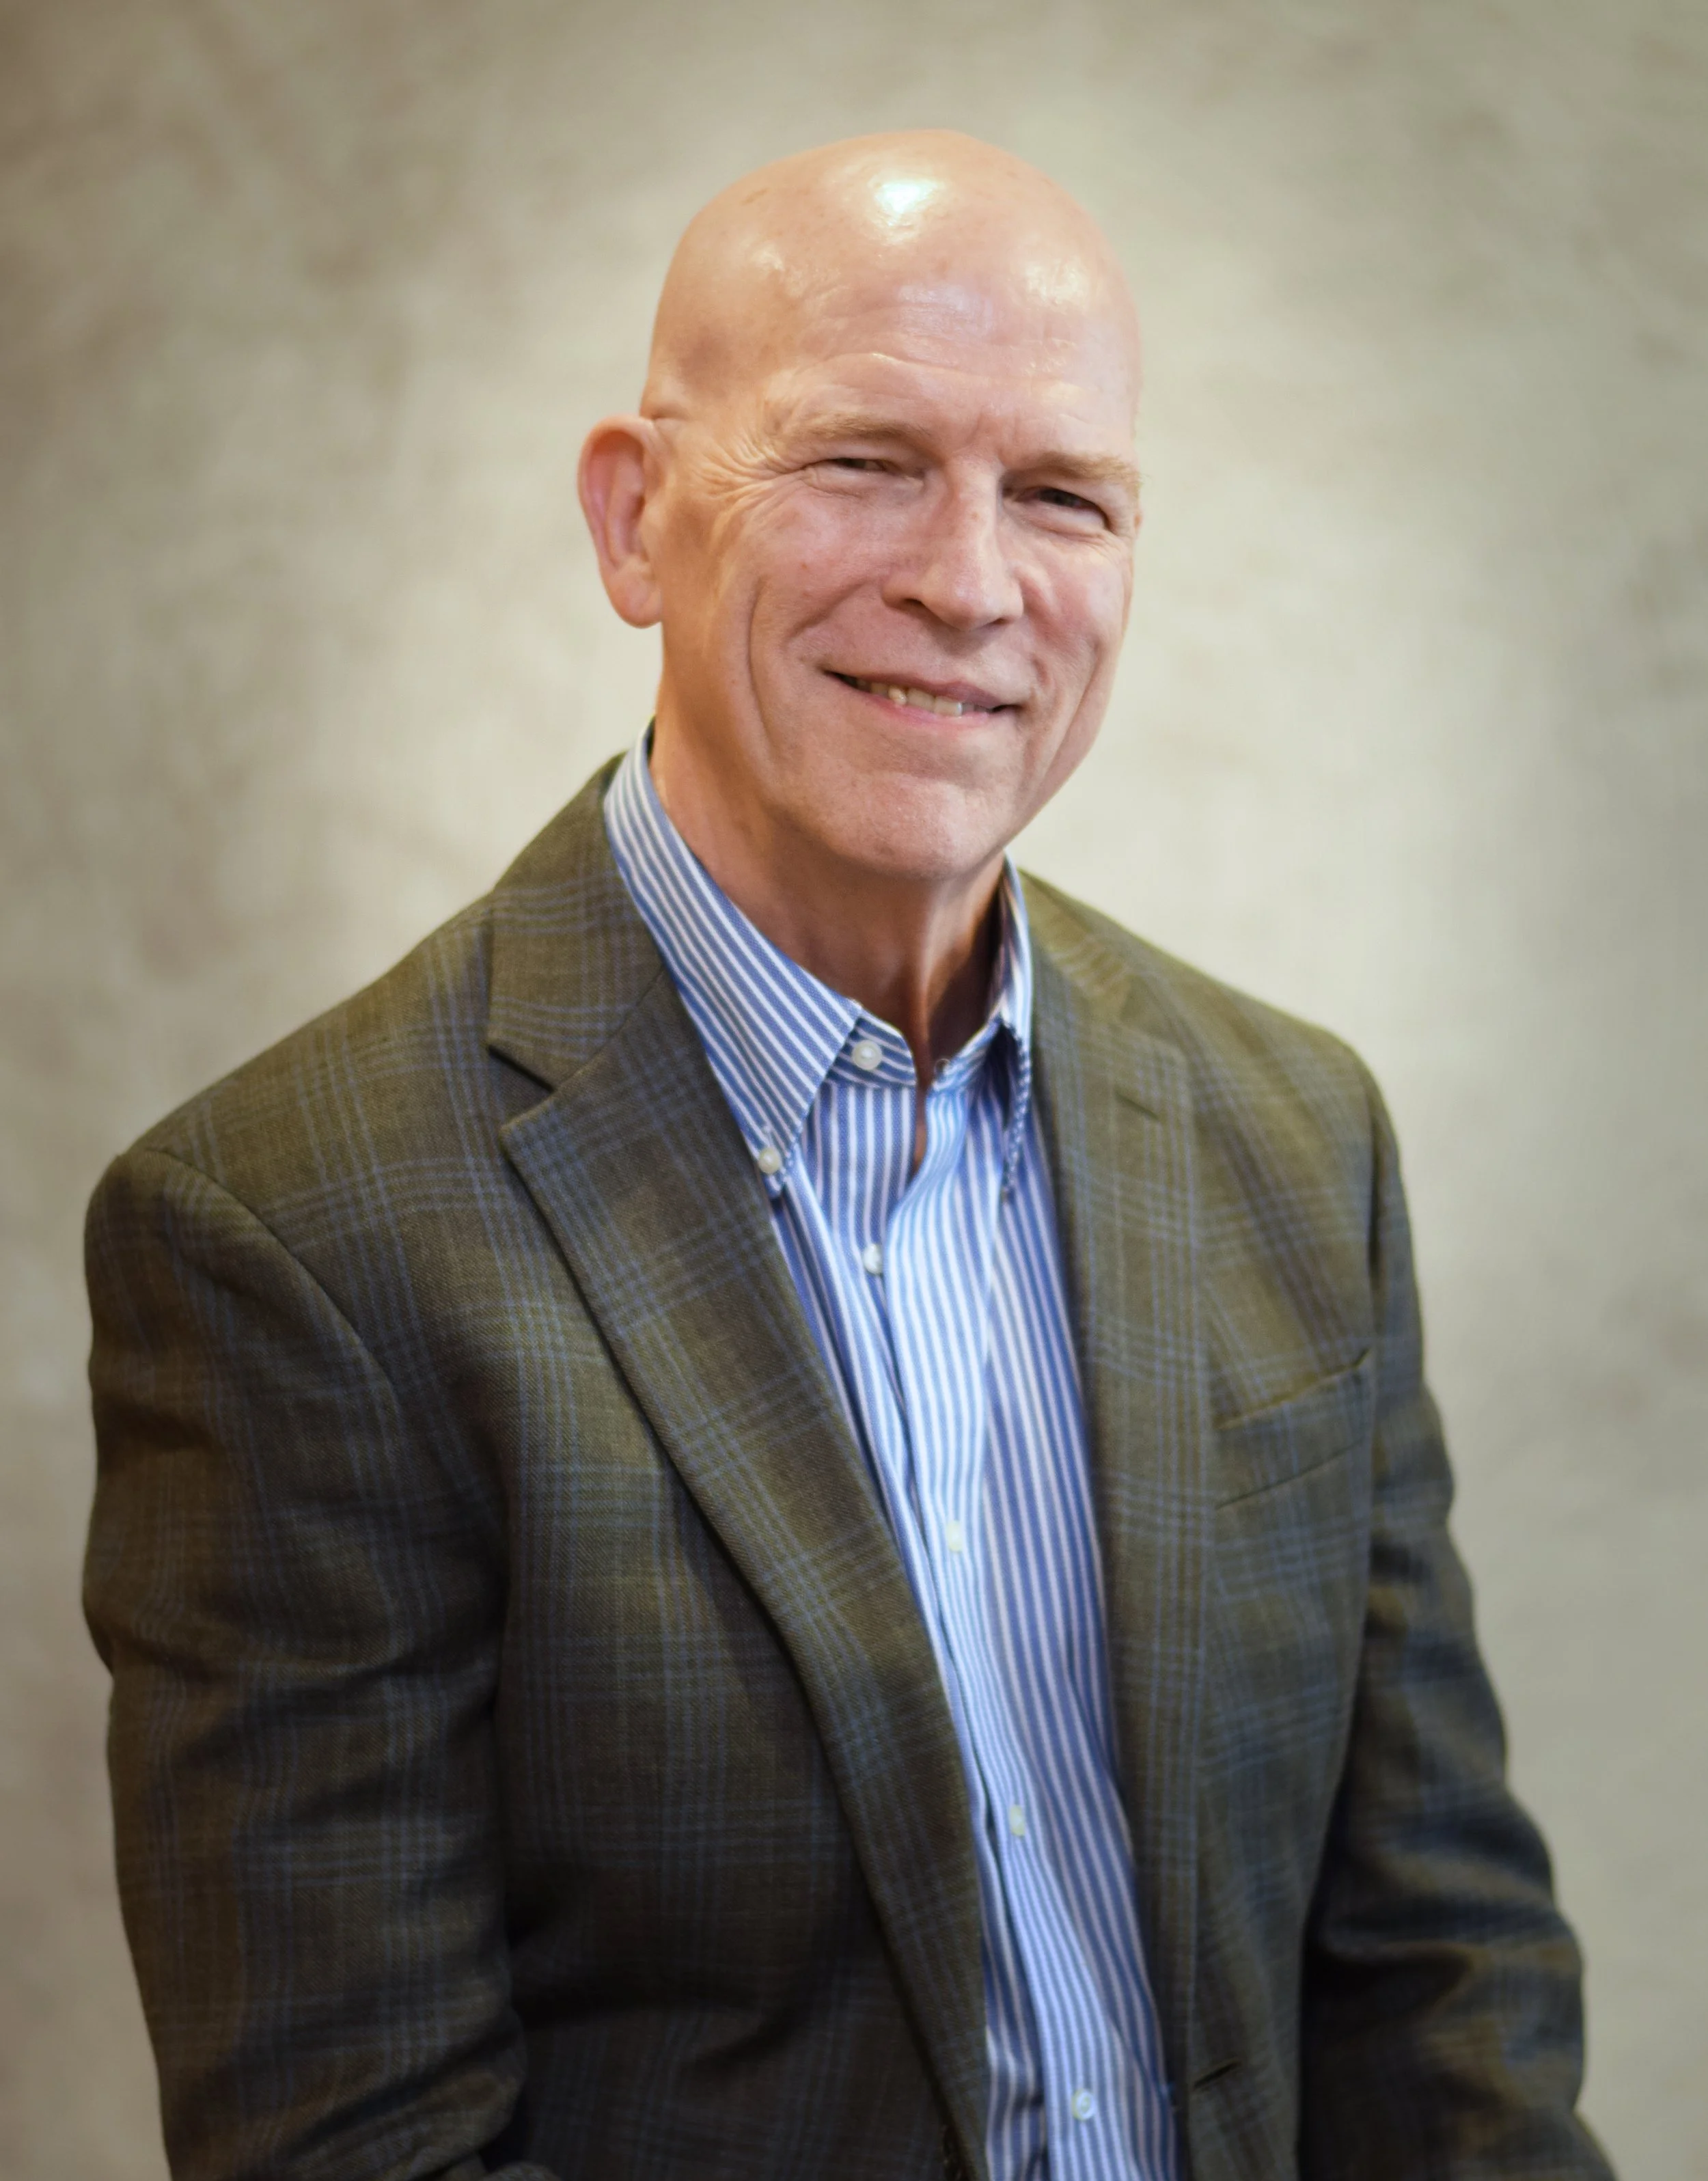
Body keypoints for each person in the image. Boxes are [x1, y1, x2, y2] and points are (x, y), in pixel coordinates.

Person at [83, 131, 1612, 2181]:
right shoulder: (290, 1239)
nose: (969, 581)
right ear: (636, 523)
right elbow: (351, 2140)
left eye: (1058, 494)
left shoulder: (1287, 1135)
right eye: (863, 462)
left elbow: (1440, 1990)